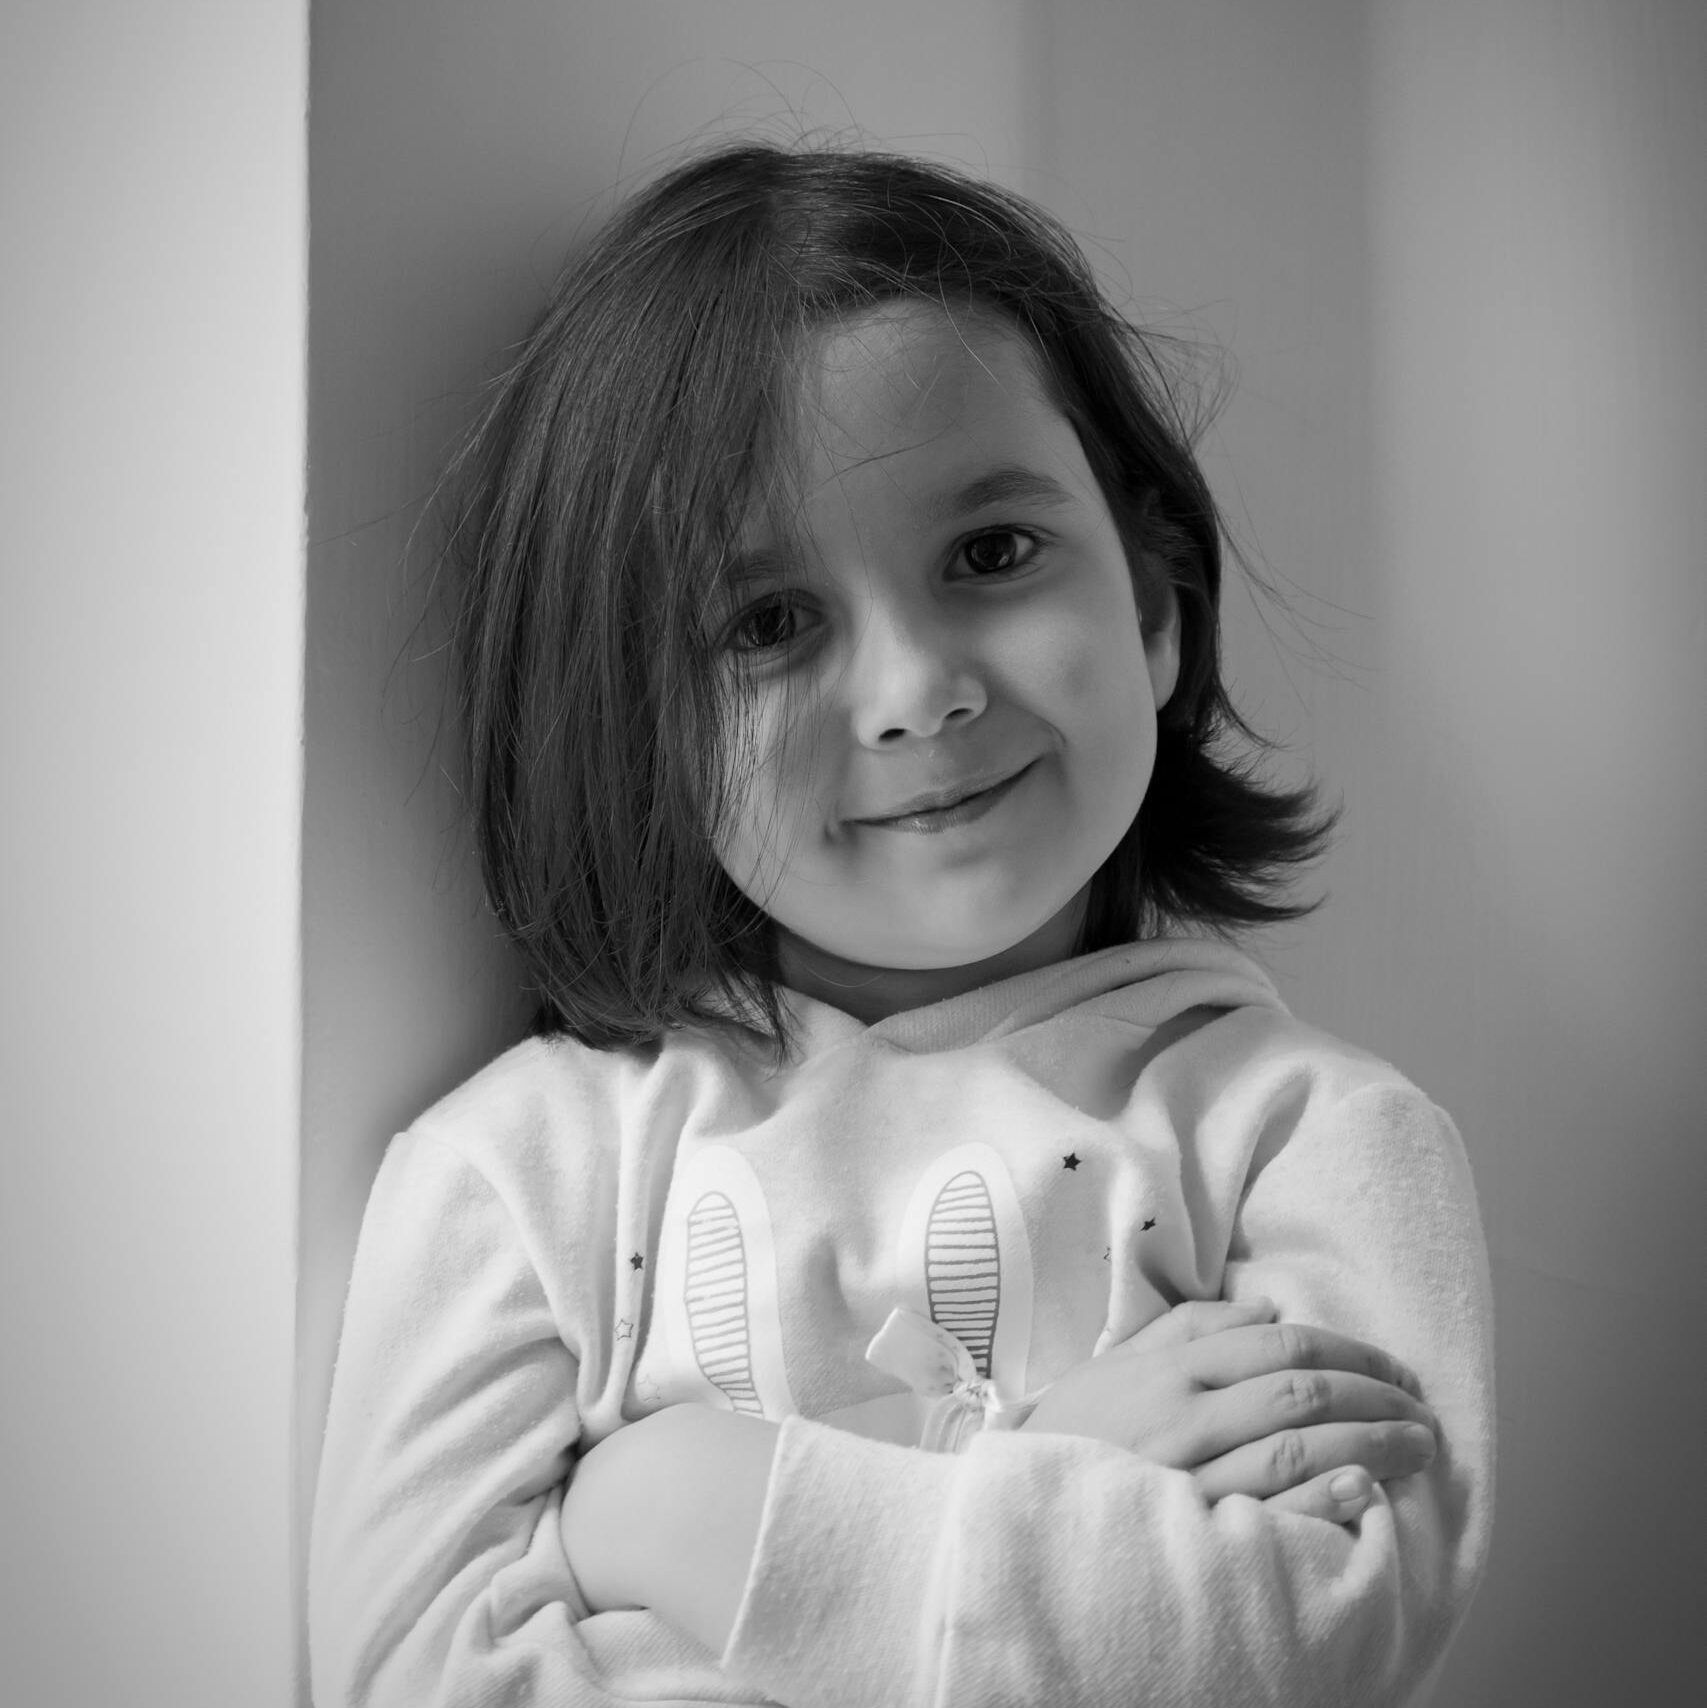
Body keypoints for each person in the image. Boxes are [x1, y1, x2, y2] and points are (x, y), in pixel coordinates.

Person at [309, 142, 1494, 1708]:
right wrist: (1057, 1474)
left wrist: (666, 1506)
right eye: (767, 622)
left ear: (1152, 611)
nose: (920, 689)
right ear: (635, 735)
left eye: (991, 554)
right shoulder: (520, 1179)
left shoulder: (1317, 1142)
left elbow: (1299, 1633)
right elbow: (423, 1678)